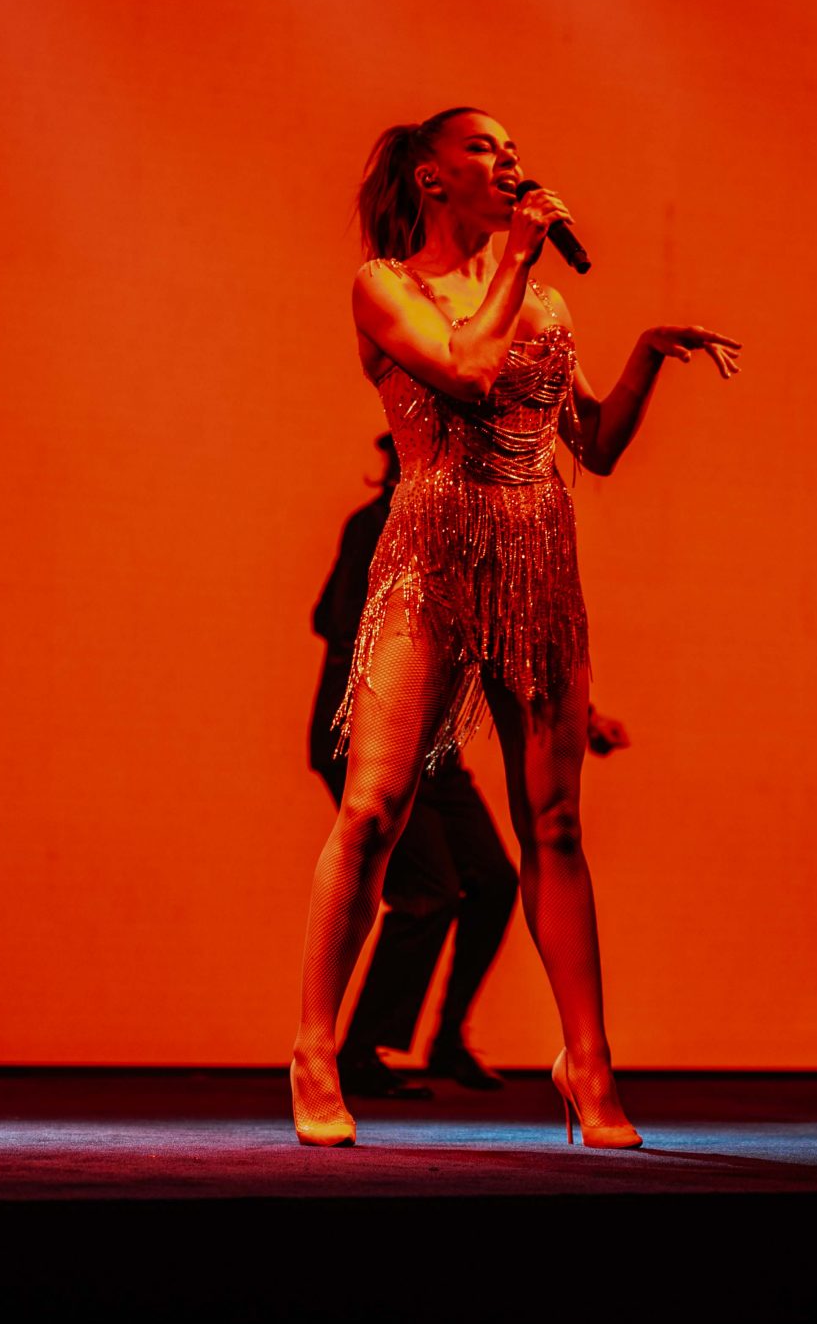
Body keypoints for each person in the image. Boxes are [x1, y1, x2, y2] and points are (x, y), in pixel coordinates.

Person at [289, 108, 739, 1148]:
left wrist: (643, 357)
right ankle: (315, 1048)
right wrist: (522, 256)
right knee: (374, 808)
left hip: (536, 556)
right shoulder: (385, 287)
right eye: (483, 150)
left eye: (514, 151)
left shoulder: (544, 301)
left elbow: (596, 444)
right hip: (430, 554)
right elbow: (466, 371)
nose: (510, 163)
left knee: (557, 823)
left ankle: (588, 1062)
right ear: (431, 178)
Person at [308, 434, 517, 1101]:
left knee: (494, 880)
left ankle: (447, 1037)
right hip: (366, 731)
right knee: (429, 889)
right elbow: (335, 620)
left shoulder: (466, 540)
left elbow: (497, 635)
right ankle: (357, 1052)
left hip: (435, 748)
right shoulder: (376, 526)